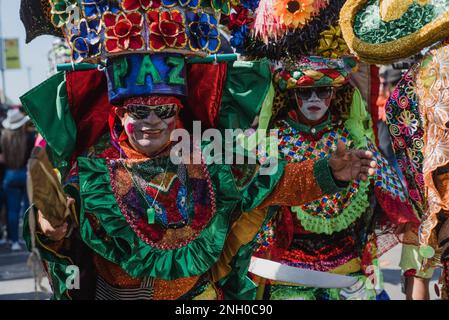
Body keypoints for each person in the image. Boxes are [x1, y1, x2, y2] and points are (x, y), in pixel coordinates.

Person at [234, 56, 421, 300]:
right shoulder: (271, 143)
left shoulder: (351, 139)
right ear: (293, 94)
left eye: (322, 91)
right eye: (305, 92)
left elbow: (395, 200)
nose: (314, 100)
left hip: (347, 273)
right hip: (288, 273)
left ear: (334, 93)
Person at [0, 108, 33, 251]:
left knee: (12, 210)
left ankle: (14, 241)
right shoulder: (29, 136)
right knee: (27, 208)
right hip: (26, 174)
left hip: (9, 175)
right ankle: (28, 238)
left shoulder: (3, 137)